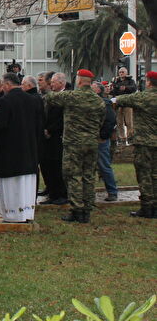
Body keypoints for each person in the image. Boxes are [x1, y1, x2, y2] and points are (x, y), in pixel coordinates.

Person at [45, 69, 105, 223]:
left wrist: (47, 86)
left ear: (78, 81)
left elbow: (51, 98)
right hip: (91, 143)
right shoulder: (98, 100)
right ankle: (87, 209)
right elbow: (102, 120)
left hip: (74, 143)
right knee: (88, 176)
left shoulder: (72, 96)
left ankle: (77, 209)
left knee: (73, 175)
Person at [0, 73, 43, 222]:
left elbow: (0, 124)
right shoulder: (33, 100)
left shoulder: (5, 101)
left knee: (12, 186)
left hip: (10, 151)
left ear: (8, 85)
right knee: (25, 186)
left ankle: (12, 214)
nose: (3, 88)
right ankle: (26, 213)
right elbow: (39, 123)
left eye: (3, 85)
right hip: (29, 149)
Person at [112, 71, 157, 218]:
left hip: (144, 143)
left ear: (149, 82)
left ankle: (147, 207)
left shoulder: (142, 97)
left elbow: (119, 100)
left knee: (144, 175)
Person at [39, 72, 68, 205]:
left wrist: (50, 129)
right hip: (48, 136)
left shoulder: (66, 96)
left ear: (61, 83)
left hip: (58, 136)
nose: (51, 85)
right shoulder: (51, 96)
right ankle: (52, 191)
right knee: (48, 165)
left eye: (54, 82)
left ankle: (60, 194)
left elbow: (63, 118)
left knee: (57, 166)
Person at [92, 81, 118, 201]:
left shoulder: (104, 103)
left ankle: (112, 192)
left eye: (92, 87)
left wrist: (103, 136)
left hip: (100, 140)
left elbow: (111, 120)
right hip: (91, 139)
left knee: (104, 166)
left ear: (98, 90)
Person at [111, 66, 137, 145]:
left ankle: (130, 137)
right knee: (119, 122)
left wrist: (125, 88)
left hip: (128, 103)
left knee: (129, 122)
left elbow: (134, 88)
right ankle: (122, 138)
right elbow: (114, 90)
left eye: (123, 72)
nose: (121, 73)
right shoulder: (116, 81)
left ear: (126, 73)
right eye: (120, 72)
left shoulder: (130, 81)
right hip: (118, 103)